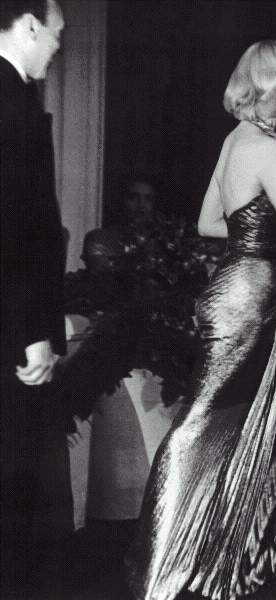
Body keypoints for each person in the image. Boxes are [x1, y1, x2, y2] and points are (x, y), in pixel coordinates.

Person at [125, 40, 276, 600]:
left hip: (240, 287)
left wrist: (258, 233)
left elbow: (209, 223)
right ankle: (160, 564)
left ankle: (254, 544)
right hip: (249, 297)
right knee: (203, 423)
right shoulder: (266, 147)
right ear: (273, 88)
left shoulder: (235, 140)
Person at [0, 0, 68, 595]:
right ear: (29, 26)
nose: (58, 45)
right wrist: (33, 333)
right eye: (56, 33)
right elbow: (17, 233)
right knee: (13, 475)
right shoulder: (14, 106)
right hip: (11, 325)